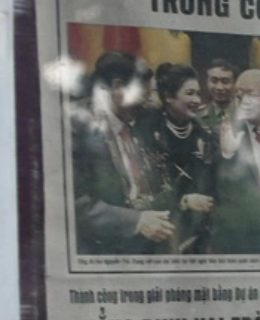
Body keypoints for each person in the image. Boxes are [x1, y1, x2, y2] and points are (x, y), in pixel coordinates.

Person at [68, 51, 174, 255]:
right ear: (117, 87)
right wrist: (136, 221)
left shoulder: (139, 121)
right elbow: (73, 204)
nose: (150, 103)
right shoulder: (74, 128)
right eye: (144, 95)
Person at [135, 62, 217, 255]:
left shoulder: (205, 135)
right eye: (189, 93)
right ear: (169, 96)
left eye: (198, 93)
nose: (197, 100)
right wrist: (184, 200)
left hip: (195, 235)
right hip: (156, 232)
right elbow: (144, 190)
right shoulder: (145, 130)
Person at [206, 69, 260, 255]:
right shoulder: (221, 135)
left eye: (251, 95)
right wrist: (227, 154)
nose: (244, 101)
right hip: (237, 239)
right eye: (239, 96)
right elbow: (211, 187)